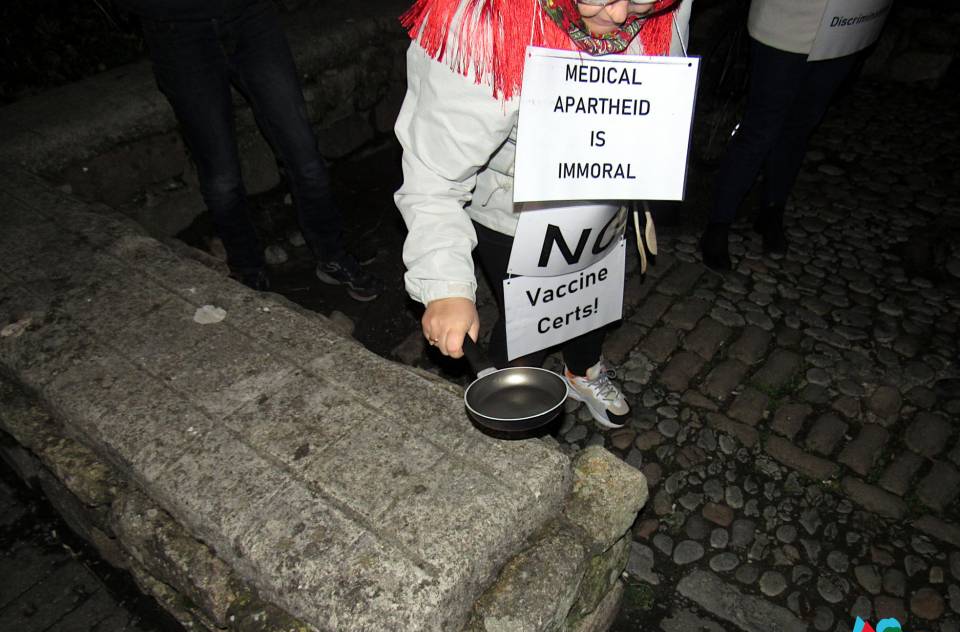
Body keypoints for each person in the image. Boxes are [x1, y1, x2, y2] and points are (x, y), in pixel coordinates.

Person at [395, 0, 692, 429]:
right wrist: (444, 287)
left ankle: (583, 368)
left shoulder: (662, 7)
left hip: (606, 199)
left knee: (594, 292)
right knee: (529, 326)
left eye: (644, 2)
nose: (623, 16)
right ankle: (511, 404)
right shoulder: (484, 21)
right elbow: (433, 173)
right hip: (515, 214)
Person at [121, 0, 382, 300]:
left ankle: (332, 253)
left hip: (249, 15)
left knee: (303, 152)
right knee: (221, 175)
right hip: (176, 29)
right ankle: (248, 270)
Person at [699, 0, 863, 271]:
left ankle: (772, 209)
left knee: (800, 128)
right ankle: (719, 223)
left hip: (843, 30)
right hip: (787, 25)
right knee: (761, 129)